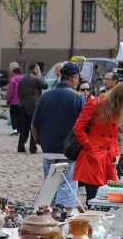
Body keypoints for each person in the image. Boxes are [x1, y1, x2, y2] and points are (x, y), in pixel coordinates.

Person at [32, 62, 84, 207]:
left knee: (50, 191)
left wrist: (41, 143)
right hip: (69, 153)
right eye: (78, 77)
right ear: (73, 78)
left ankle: (49, 223)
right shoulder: (78, 98)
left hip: (48, 151)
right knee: (66, 191)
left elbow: (34, 125)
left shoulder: (46, 96)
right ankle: (62, 221)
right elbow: (84, 127)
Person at [72, 82, 123, 203]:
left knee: (108, 199)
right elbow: (78, 127)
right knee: (92, 199)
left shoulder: (117, 109)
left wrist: (117, 153)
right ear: (119, 97)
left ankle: (100, 220)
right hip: (92, 157)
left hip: (108, 159)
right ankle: (91, 220)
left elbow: (114, 135)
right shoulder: (95, 103)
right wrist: (89, 146)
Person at [17, 62, 45, 153]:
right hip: (33, 105)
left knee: (24, 127)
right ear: (36, 70)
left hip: (22, 105)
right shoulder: (36, 78)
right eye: (38, 70)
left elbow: (18, 93)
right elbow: (45, 85)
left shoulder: (22, 79)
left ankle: (20, 146)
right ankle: (33, 147)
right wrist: (40, 76)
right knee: (33, 125)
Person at [5, 62, 22, 135]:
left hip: (14, 101)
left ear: (14, 72)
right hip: (22, 101)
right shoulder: (24, 78)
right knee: (20, 115)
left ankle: (15, 129)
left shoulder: (13, 80)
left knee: (13, 115)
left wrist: (8, 101)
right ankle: (20, 129)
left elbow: (10, 92)